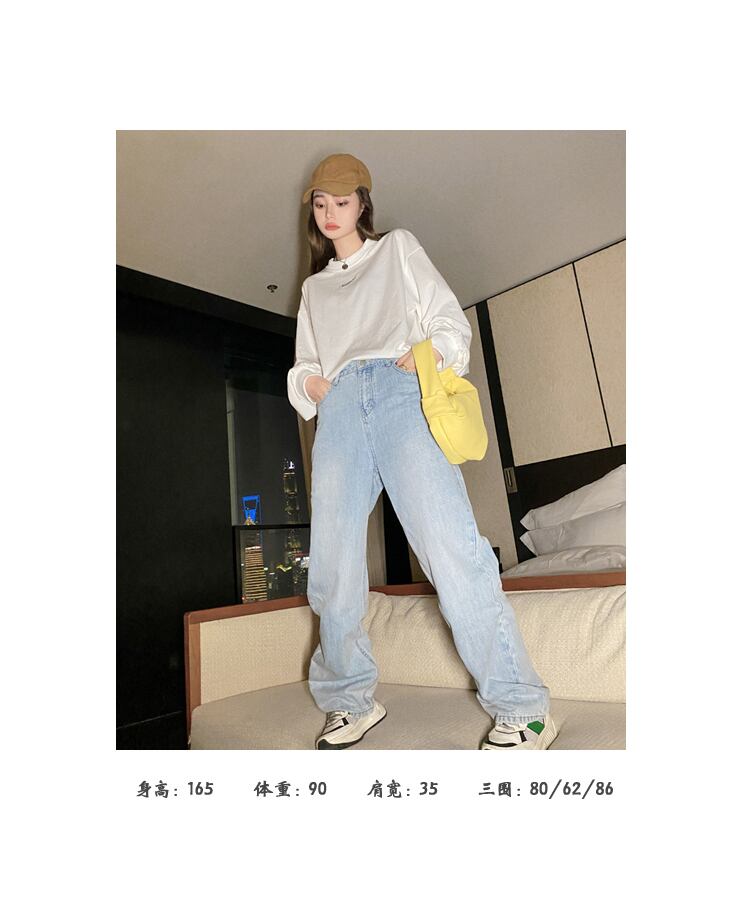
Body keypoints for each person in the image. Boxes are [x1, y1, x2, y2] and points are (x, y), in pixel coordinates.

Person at [287, 152, 556, 751]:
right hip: (339, 409)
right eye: (321, 203)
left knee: (450, 548)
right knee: (331, 566)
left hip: (400, 390)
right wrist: (311, 384)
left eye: (342, 201)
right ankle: (350, 701)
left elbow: (448, 322)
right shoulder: (314, 288)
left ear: (363, 203)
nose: (330, 213)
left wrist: (428, 353)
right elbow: (304, 361)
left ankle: (522, 709)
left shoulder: (397, 248)